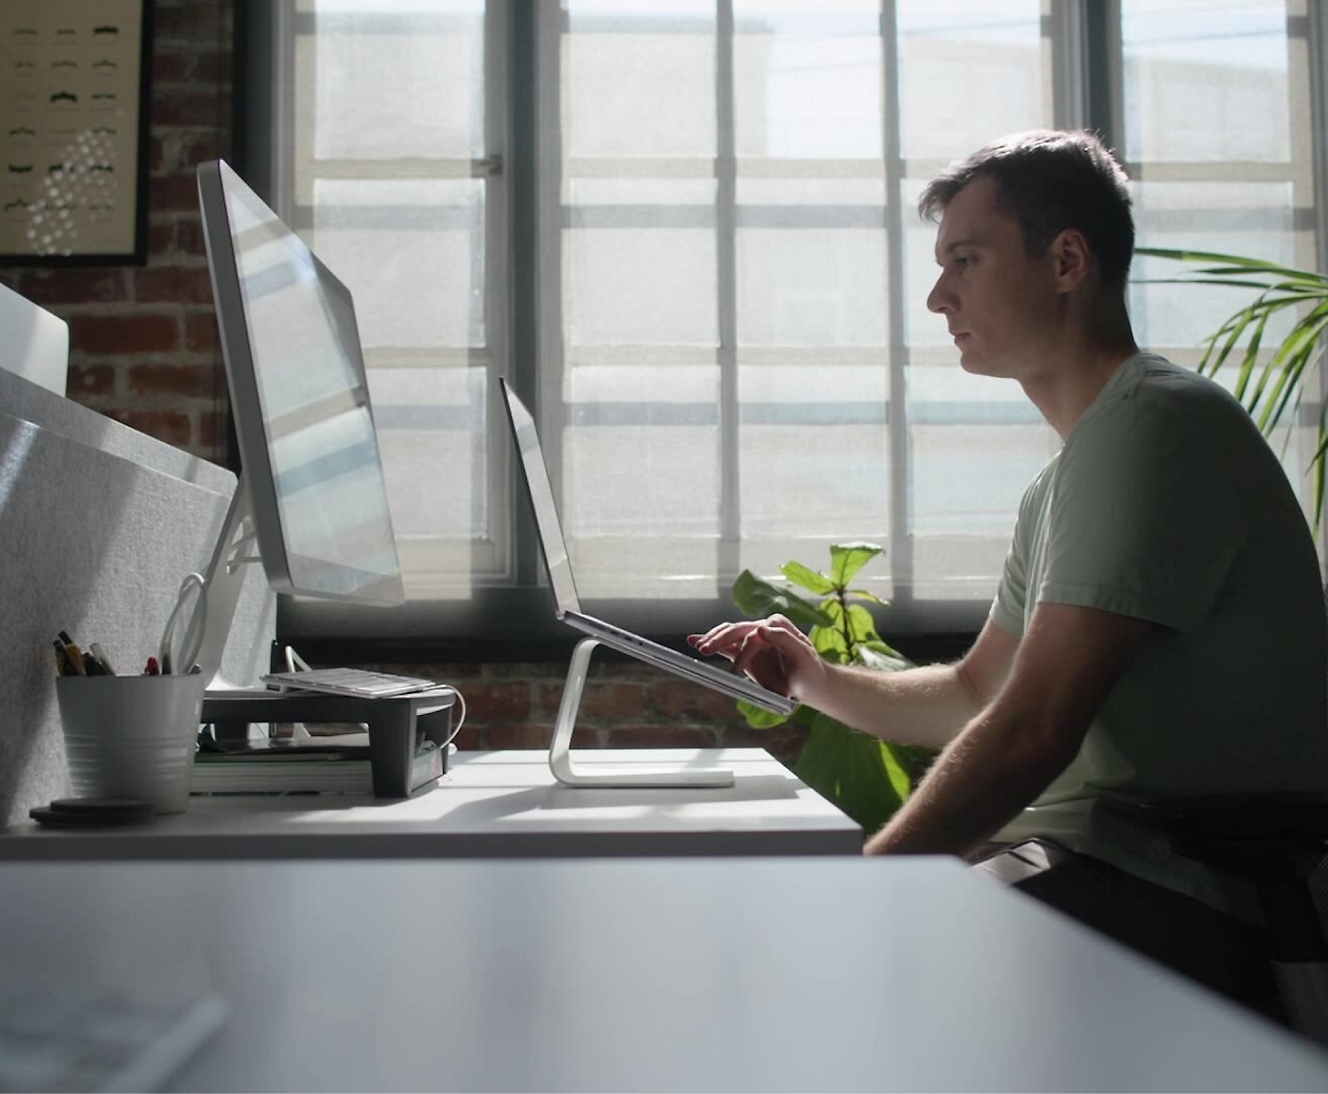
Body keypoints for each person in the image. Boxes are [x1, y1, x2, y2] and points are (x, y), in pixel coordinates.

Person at [690, 129, 1328, 1013]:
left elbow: (1033, 730)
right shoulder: (1067, 476)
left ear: (1067, 261)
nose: (936, 295)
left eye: (967, 259)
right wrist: (811, 677)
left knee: (804, 970)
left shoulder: (1158, 427)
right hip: (1086, 868)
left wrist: (872, 886)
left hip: (1179, 893)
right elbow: (977, 693)